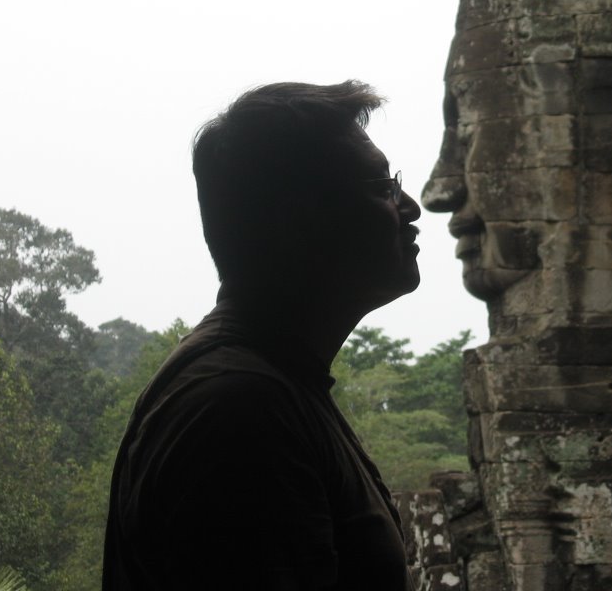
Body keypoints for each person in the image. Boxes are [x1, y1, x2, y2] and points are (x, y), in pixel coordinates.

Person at [103, 81, 421, 590]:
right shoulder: (240, 407)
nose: (411, 207)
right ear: (297, 220)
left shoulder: (275, 381)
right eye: (382, 187)